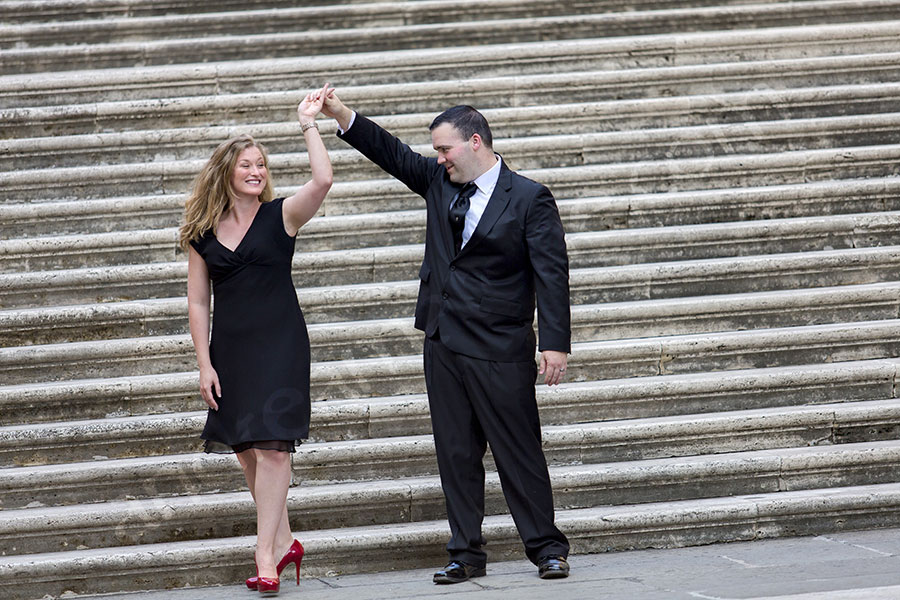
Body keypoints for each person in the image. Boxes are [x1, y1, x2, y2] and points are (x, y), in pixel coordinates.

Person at [321, 93, 572, 583]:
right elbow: (390, 152)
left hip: (500, 345)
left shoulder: (528, 197)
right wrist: (340, 115)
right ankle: (465, 553)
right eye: (435, 152)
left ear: (474, 142)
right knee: (455, 452)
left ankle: (546, 549)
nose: (437, 159)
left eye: (444, 149)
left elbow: (552, 274)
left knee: (518, 449)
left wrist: (555, 343)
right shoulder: (439, 182)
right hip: (443, 340)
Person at [179, 84, 334, 596]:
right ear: (226, 171)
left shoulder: (282, 216)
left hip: (281, 344)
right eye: (246, 164)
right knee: (247, 451)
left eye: (261, 165)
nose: (256, 172)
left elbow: (323, 178)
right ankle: (287, 540)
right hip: (232, 351)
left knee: (273, 451)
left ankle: (264, 553)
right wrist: (204, 363)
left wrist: (308, 123)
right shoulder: (201, 232)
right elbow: (198, 302)